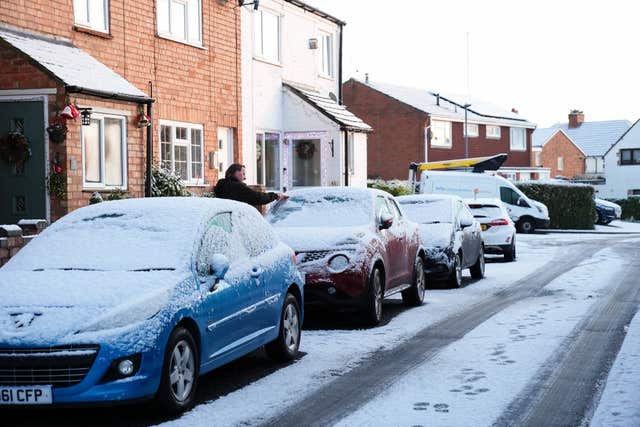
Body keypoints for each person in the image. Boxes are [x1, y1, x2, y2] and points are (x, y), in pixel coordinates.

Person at [214, 164, 288, 206]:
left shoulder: (221, 184)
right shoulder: (237, 187)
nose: (245, 177)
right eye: (243, 173)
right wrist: (275, 196)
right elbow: (257, 198)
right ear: (235, 172)